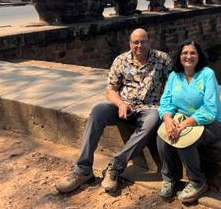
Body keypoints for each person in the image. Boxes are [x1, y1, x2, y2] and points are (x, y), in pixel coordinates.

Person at [56, 28, 172, 194]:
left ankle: (115, 167)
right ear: (130, 43)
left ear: (149, 41)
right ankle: (83, 170)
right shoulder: (121, 60)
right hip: (124, 107)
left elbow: (172, 87)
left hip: (149, 108)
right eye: (136, 42)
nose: (140, 45)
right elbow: (111, 90)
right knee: (98, 111)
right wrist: (120, 104)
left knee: (154, 117)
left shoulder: (162, 59)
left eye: (143, 41)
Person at [157, 40, 221, 204]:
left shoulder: (207, 74)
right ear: (179, 56)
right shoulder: (175, 76)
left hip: (211, 122)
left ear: (199, 56)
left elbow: (210, 109)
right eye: (184, 53)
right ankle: (170, 178)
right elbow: (166, 101)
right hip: (181, 118)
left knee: (185, 141)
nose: (188, 56)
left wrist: (183, 125)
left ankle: (197, 181)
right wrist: (168, 119)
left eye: (192, 53)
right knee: (161, 136)